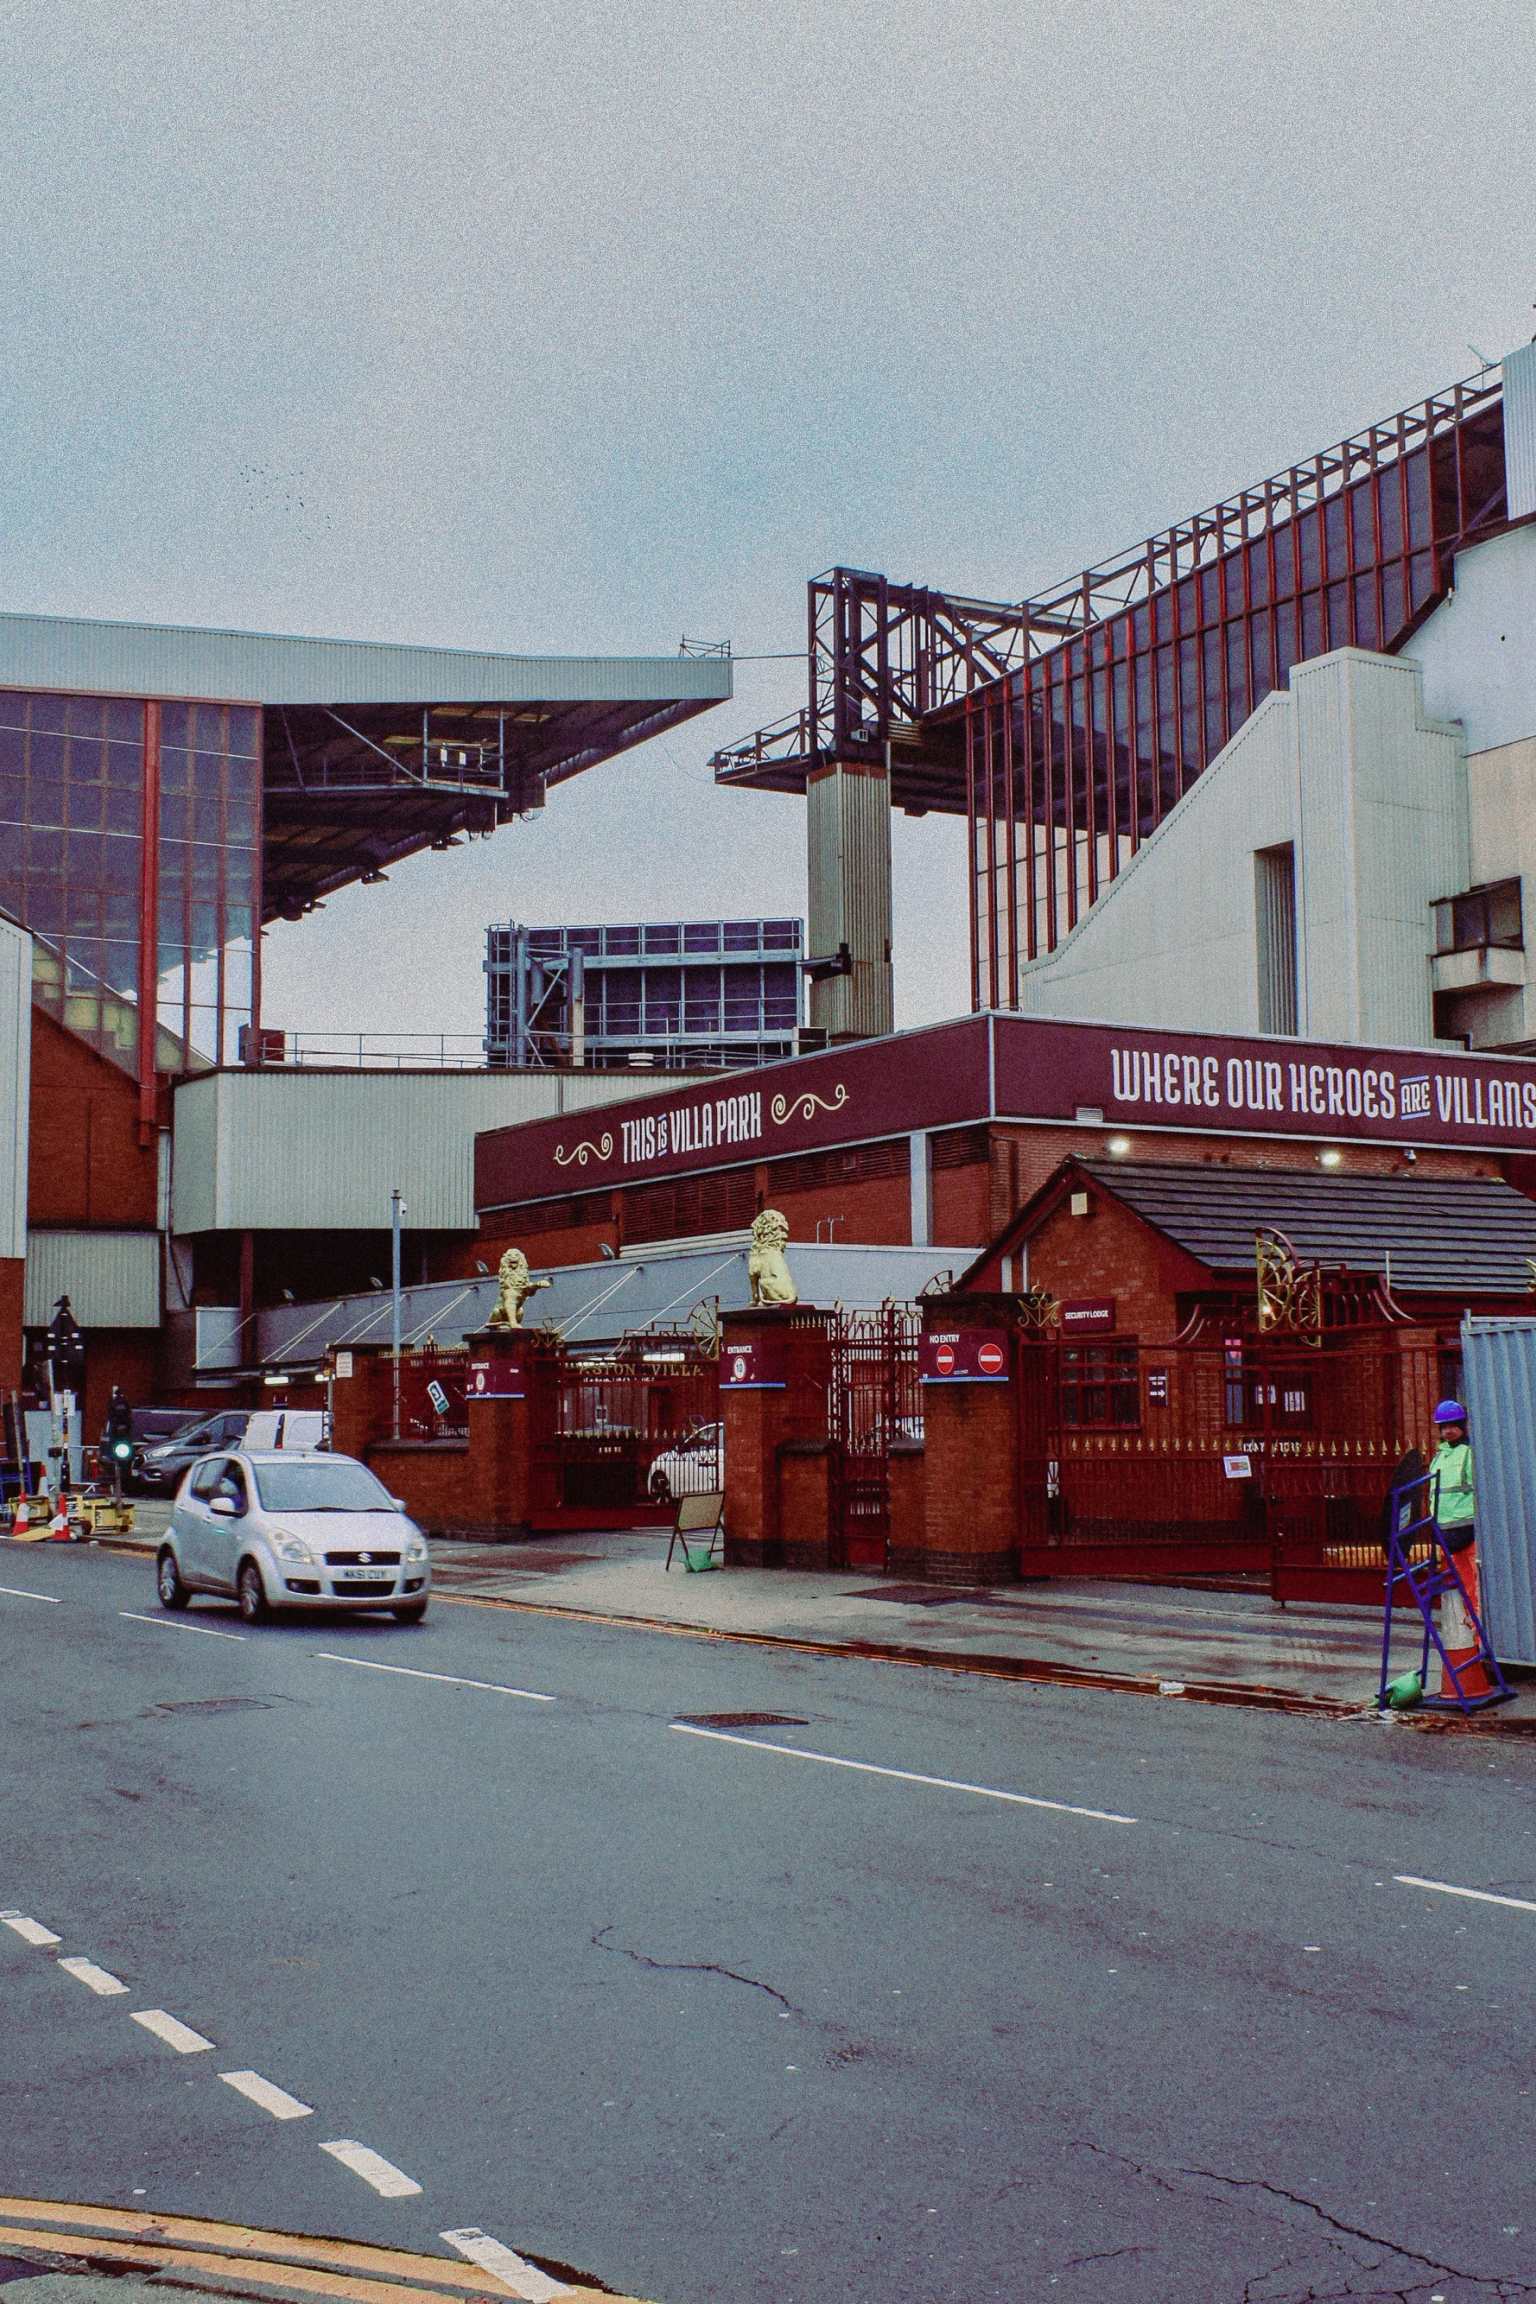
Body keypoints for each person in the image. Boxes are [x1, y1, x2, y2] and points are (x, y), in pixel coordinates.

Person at [1429, 1400, 1490, 1696]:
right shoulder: (1438, 1458)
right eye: (1444, 1426)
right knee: (1462, 1591)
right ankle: (1474, 1649)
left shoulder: (1469, 1453)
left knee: (1477, 1591)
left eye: (1454, 1425)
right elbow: (1433, 1495)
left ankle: (1482, 1650)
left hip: (1468, 1532)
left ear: (1463, 1426)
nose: (1449, 1430)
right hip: (1445, 1534)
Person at [103, 1387, 133, 1498]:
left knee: (120, 1465)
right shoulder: (122, 1406)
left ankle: (120, 1487)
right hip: (120, 1440)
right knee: (122, 1465)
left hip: (118, 1440)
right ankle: (121, 1487)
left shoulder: (114, 1406)